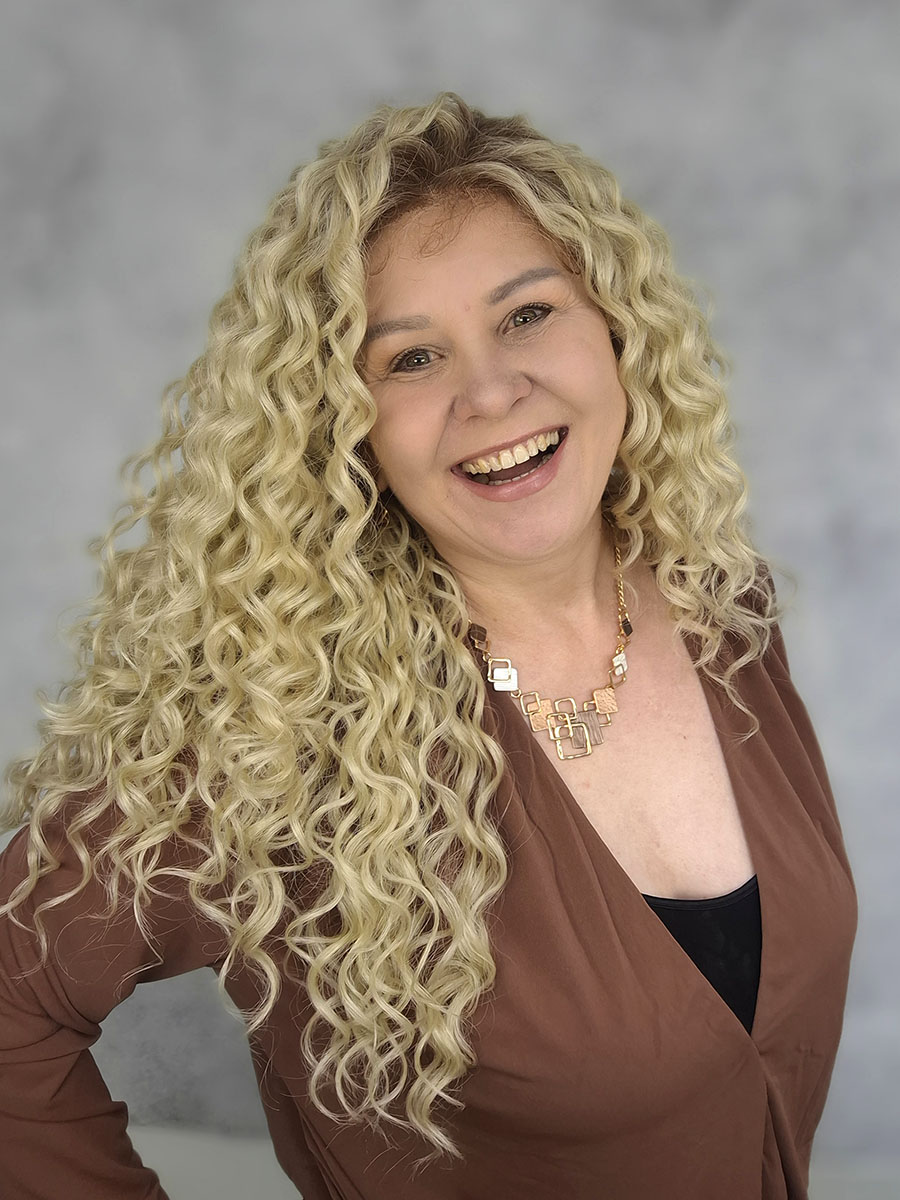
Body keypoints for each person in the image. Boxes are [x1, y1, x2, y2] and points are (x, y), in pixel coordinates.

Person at [0, 92, 857, 1199]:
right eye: (409, 359)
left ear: (618, 330)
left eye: (527, 314)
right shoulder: (283, 727)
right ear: (341, 426)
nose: (491, 391)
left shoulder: (723, 609)